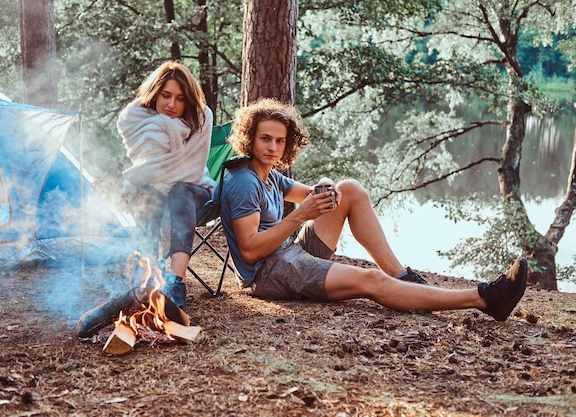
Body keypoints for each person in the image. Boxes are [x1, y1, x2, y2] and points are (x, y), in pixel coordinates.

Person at [218, 97, 527, 321]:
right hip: (269, 274)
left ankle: (403, 278)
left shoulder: (268, 173)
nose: (272, 147)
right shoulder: (244, 182)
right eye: (265, 139)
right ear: (250, 140)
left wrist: (326, 187)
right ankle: (484, 298)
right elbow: (249, 251)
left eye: (279, 141)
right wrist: (301, 215)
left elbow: (313, 194)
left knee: (349, 188)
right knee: (371, 281)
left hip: (288, 253)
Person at [117, 61, 215, 309]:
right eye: (166, 95)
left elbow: (190, 169)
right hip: (154, 192)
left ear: (189, 101)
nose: (172, 105)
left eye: (180, 99)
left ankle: (175, 281)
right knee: (146, 194)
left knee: (178, 190)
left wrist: (153, 180)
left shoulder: (202, 118)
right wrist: (150, 183)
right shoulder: (138, 119)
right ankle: (149, 275)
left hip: (194, 191)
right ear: (155, 94)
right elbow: (146, 169)